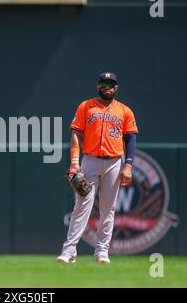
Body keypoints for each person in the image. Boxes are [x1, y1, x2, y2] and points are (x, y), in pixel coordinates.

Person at [57, 72, 138, 264]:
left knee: (107, 209)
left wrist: (128, 165)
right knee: (81, 205)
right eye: (104, 83)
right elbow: (76, 134)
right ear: (98, 86)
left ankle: (102, 251)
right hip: (90, 160)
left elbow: (131, 138)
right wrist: (75, 162)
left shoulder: (125, 111)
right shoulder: (86, 106)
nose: (107, 87)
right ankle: (69, 251)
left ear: (116, 87)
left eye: (111, 84)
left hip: (114, 161)